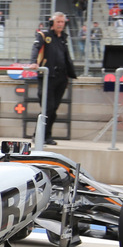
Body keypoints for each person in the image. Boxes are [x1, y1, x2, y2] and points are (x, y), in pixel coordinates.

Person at [27, 12, 77, 146]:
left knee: (53, 109)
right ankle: (39, 135)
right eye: (58, 22)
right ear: (52, 23)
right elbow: (36, 47)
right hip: (48, 76)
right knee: (47, 108)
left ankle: (46, 135)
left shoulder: (63, 38)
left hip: (61, 77)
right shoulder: (44, 35)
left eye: (62, 22)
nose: (60, 24)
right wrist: (33, 62)